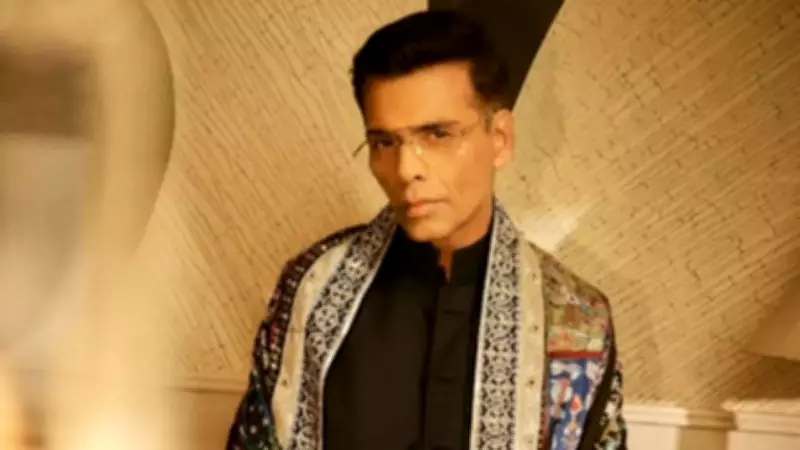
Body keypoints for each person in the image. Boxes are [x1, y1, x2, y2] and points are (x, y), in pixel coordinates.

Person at [227, 9, 626, 450]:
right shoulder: (312, 289)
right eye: (385, 142)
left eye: (437, 134)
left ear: (500, 139)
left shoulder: (575, 320)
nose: (405, 169)